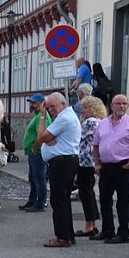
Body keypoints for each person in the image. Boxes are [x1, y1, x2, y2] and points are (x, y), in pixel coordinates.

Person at [92, 94, 129, 244]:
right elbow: (95, 145)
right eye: (118, 103)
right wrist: (97, 163)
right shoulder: (103, 123)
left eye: (124, 104)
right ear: (112, 106)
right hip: (106, 167)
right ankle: (107, 231)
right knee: (104, 200)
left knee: (122, 201)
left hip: (123, 167)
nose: (122, 106)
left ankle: (123, 233)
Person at [34, 93, 81, 247]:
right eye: (47, 108)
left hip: (62, 162)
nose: (50, 110)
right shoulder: (65, 116)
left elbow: (41, 136)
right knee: (63, 199)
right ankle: (68, 234)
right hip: (64, 161)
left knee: (59, 200)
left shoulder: (64, 118)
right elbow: (45, 137)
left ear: (63, 103)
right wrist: (47, 138)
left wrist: (42, 116)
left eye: (52, 107)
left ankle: (63, 237)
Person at [75, 96, 106, 237]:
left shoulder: (90, 122)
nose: (83, 110)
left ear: (93, 109)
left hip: (85, 161)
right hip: (89, 161)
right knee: (88, 192)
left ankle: (89, 224)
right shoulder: (100, 121)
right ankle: (92, 223)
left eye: (86, 108)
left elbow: (77, 137)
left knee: (85, 193)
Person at [20, 94, 51, 212]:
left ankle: (40, 202)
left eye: (34, 103)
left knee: (39, 178)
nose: (31, 105)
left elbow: (41, 135)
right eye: (31, 102)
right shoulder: (37, 116)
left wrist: (34, 148)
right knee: (33, 178)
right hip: (33, 152)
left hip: (37, 152)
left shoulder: (42, 117)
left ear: (42, 104)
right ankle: (32, 200)